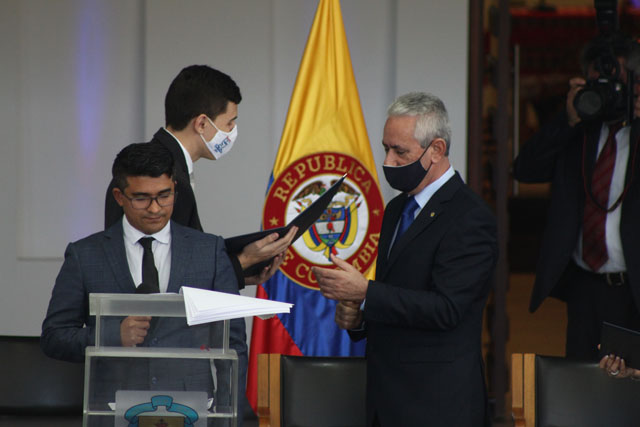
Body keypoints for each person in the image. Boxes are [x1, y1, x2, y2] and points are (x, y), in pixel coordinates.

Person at [42, 143, 281, 424]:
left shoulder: (209, 251)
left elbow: (234, 344)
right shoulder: (85, 255)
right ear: (119, 196)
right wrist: (112, 334)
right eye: (141, 198)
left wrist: (228, 419)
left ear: (175, 189)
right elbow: (54, 337)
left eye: (164, 196)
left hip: (192, 410)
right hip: (111, 409)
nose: (155, 208)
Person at [312, 92, 498, 427]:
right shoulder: (397, 208)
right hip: (386, 398)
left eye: (400, 152)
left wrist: (366, 292)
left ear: (436, 150)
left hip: (437, 404)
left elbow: (447, 309)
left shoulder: (470, 216)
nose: (389, 161)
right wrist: (360, 316)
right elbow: (399, 293)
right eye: (386, 148)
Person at [104, 65, 295, 288]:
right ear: (202, 123)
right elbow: (166, 270)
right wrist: (244, 260)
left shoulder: (164, 165)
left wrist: (239, 274)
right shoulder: (164, 178)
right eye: (229, 122)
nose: (232, 130)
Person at [513, 33, 640, 361]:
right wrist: (568, 119)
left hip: (633, 287)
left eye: (619, 83)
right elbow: (525, 169)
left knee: (629, 381)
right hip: (584, 285)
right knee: (580, 375)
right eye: (600, 83)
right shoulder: (578, 132)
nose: (610, 92)